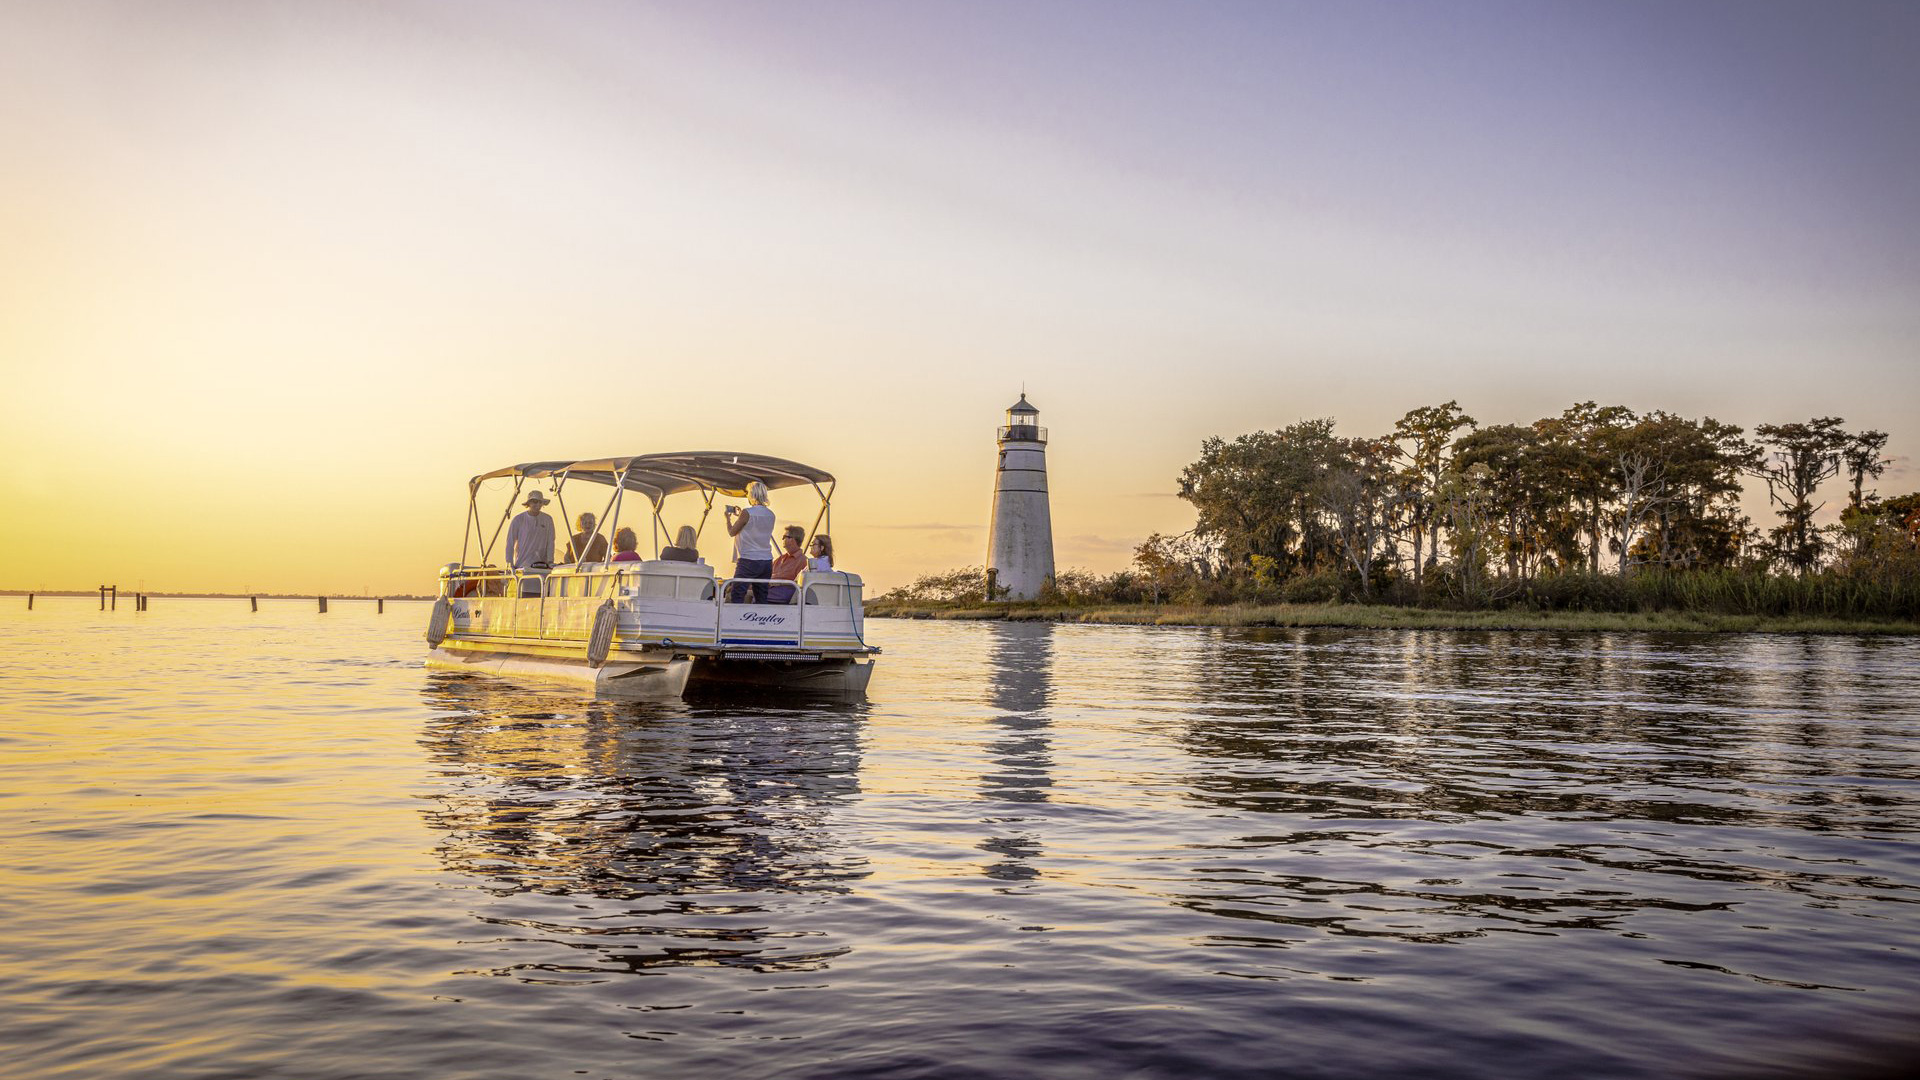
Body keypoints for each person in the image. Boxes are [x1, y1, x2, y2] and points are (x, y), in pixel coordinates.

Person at [725, 481, 775, 602]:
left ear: (752, 494)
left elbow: (732, 532)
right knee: (761, 597)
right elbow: (754, 528)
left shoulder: (747, 512)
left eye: (748, 493)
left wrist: (728, 519)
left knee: (737, 595)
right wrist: (741, 517)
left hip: (748, 560)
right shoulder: (771, 514)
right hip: (766, 561)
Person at [505, 490, 555, 569]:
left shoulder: (548, 519)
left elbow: (551, 541)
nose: (538, 504)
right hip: (523, 566)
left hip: (543, 566)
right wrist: (509, 564)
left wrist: (550, 561)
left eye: (540, 502)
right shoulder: (518, 519)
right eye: (535, 502)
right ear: (529, 503)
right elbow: (510, 542)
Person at [767, 525, 806, 603]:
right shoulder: (780, 559)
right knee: (745, 591)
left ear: (792, 540)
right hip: (770, 588)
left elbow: (799, 584)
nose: (782, 539)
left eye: (784, 537)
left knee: (757, 595)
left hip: (785, 591)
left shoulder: (803, 561)